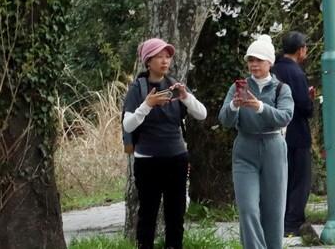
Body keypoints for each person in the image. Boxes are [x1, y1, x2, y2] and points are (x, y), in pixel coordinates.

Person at [121, 37, 207, 249]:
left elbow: (202, 114)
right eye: (159, 56)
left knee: (176, 214)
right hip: (148, 160)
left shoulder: (175, 85)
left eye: (167, 56)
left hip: (177, 158)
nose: (164, 61)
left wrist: (186, 96)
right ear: (148, 61)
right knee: (147, 214)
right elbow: (128, 125)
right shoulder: (137, 89)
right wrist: (147, 105)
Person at [219, 35, 295, 249]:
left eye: (259, 60)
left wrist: (258, 106)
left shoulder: (282, 89)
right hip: (245, 148)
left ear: (269, 62)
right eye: (250, 60)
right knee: (248, 208)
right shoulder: (238, 88)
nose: (254, 64)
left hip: (273, 146)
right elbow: (224, 119)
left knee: (273, 210)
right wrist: (234, 106)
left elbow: (285, 116)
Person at [270, 32, 315, 238]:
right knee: (300, 179)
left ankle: (279, 220)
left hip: (275, 133)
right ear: (301, 50)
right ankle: (293, 222)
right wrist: (310, 100)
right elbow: (304, 106)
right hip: (297, 132)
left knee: (282, 179)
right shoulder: (296, 73)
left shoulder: (273, 69)